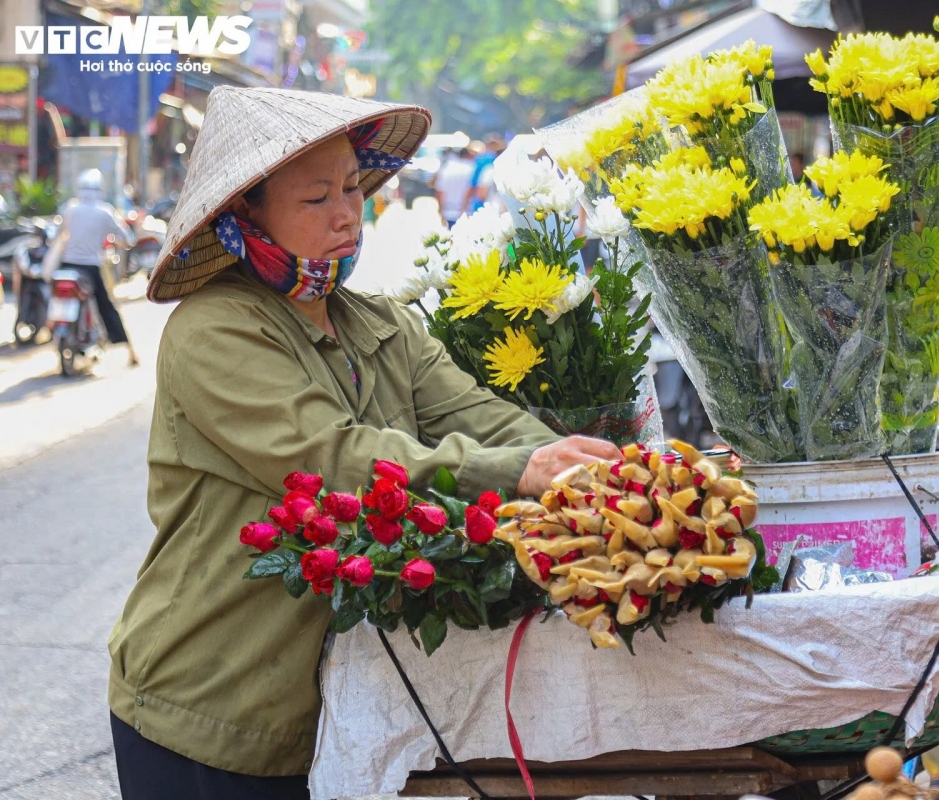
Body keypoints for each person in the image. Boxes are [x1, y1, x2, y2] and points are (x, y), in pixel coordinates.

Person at [111, 87, 621, 800]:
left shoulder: (376, 321)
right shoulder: (214, 330)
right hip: (213, 697)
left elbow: (478, 413)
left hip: (344, 698)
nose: (348, 213)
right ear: (244, 217)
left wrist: (580, 470)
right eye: (316, 199)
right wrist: (519, 471)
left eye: (353, 187)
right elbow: (333, 460)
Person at [58, 169, 139, 365]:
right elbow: (128, 238)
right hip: (90, 268)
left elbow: (59, 233)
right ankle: (130, 352)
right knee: (106, 306)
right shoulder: (105, 212)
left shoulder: (69, 208)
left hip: (66, 265)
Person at [432, 145, 475, 226]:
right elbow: (471, 190)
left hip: (448, 212)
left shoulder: (446, 169)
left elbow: (439, 193)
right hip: (466, 212)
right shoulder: (471, 168)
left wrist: (440, 212)